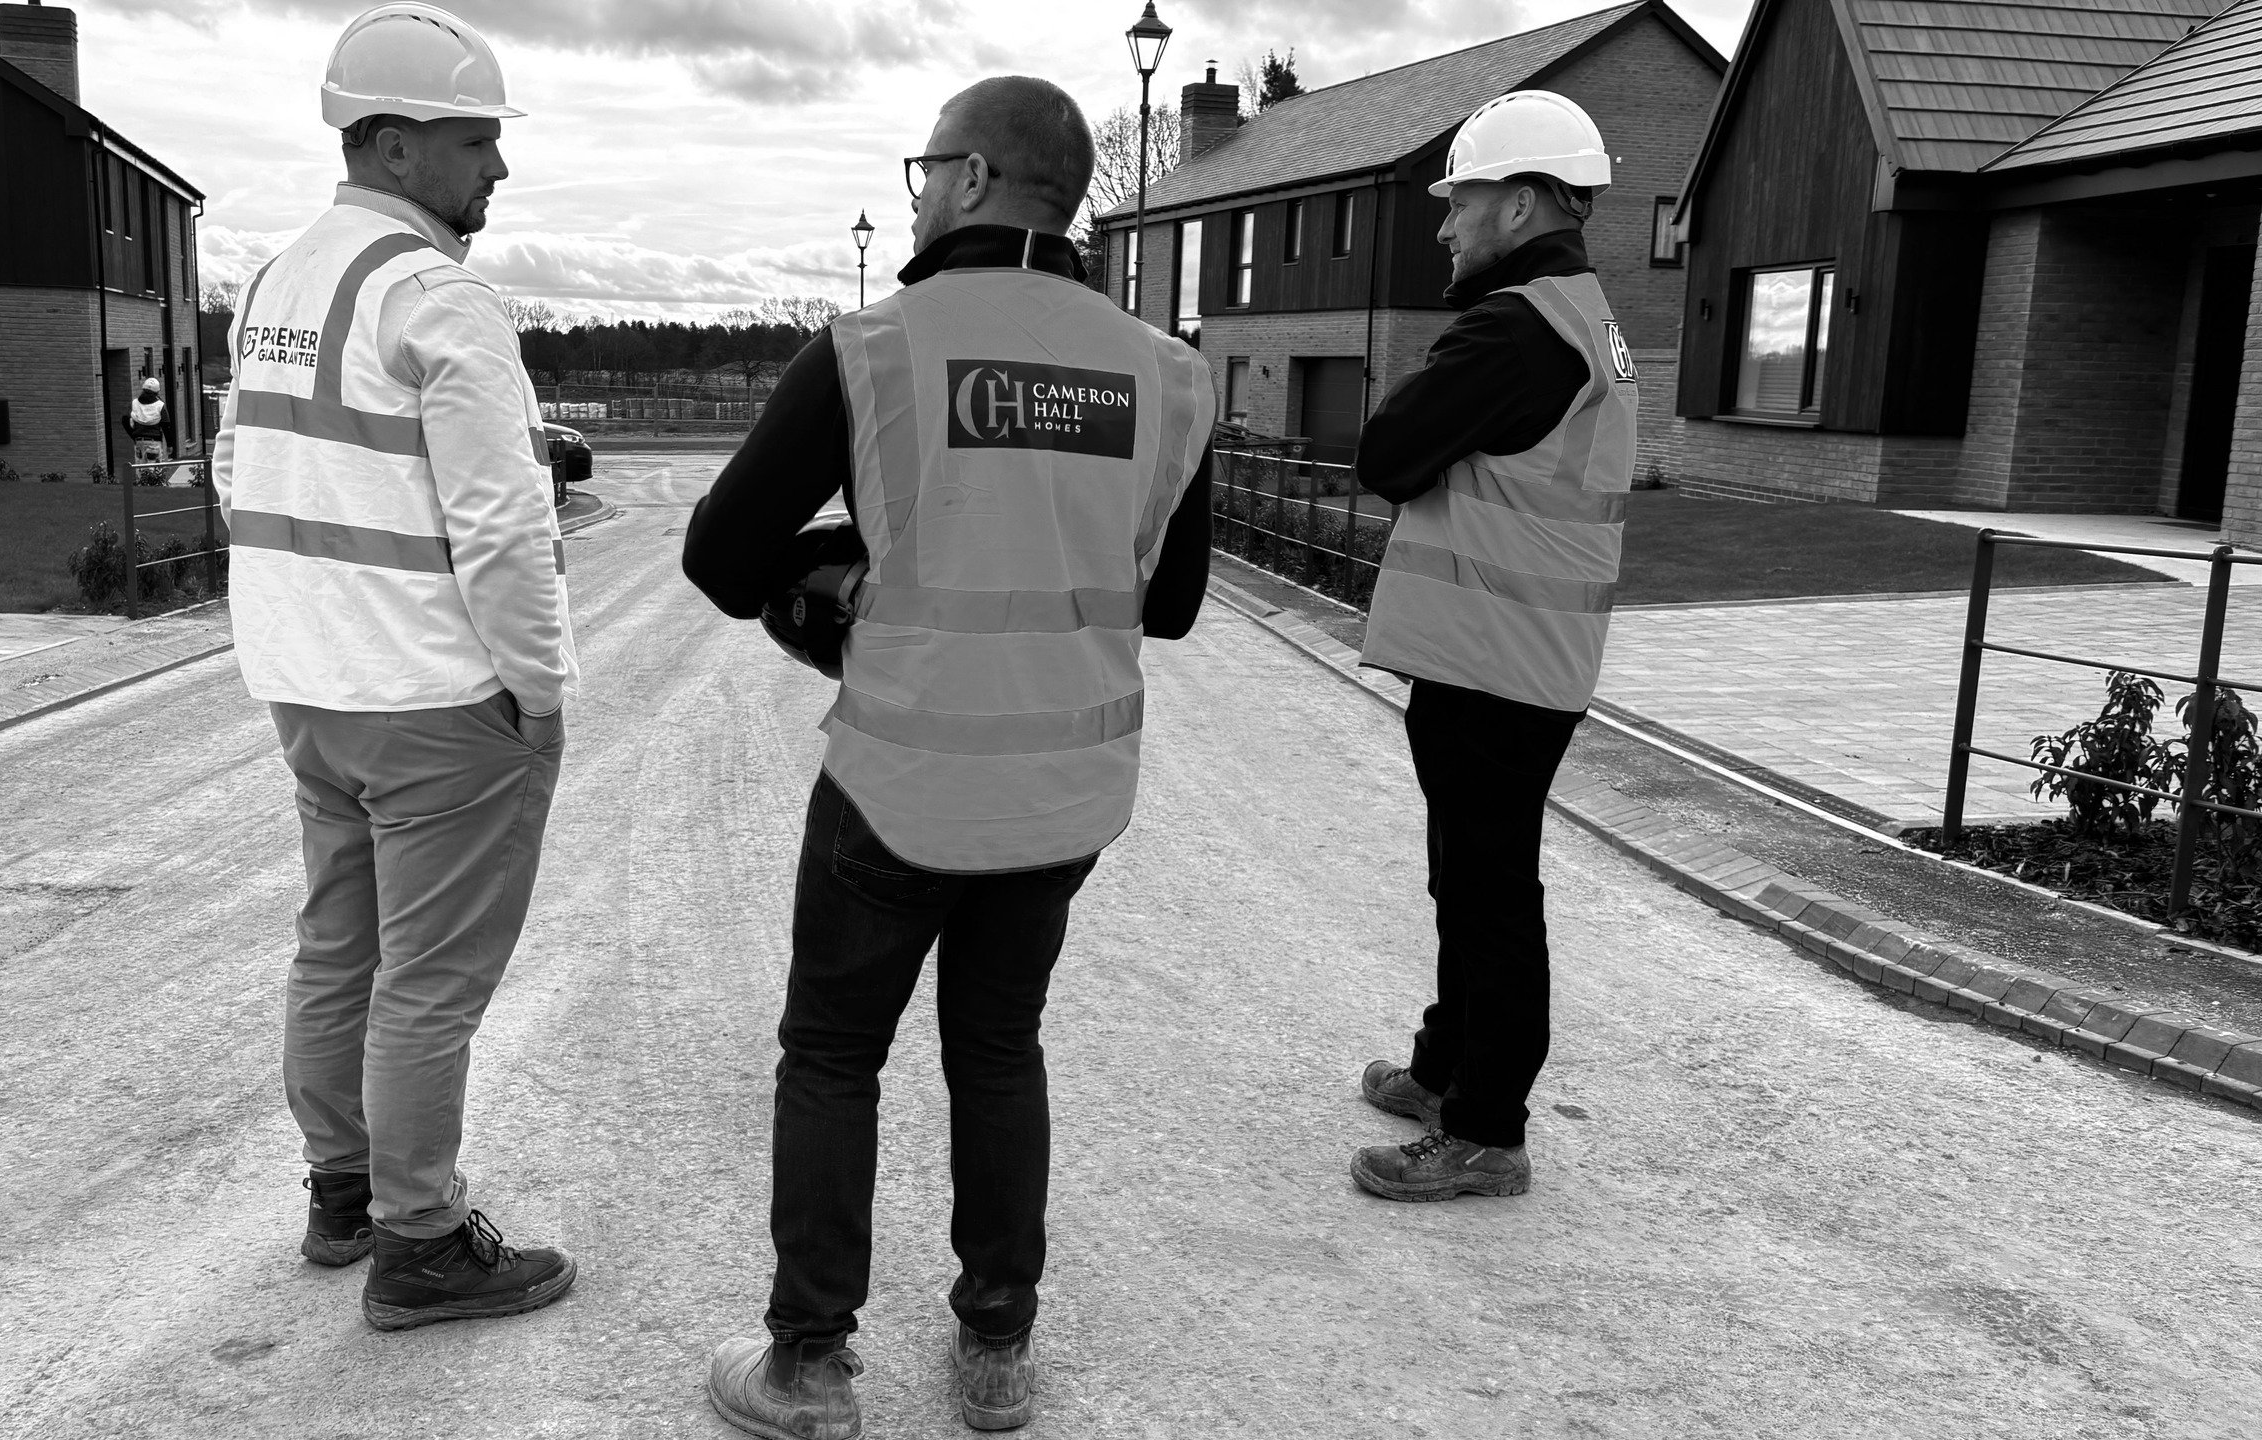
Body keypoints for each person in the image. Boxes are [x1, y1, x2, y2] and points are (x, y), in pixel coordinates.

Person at [681, 75, 1216, 1439]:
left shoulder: (877, 347)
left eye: (926, 170)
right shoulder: (1164, 372)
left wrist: (838, 577)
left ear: (972, 181)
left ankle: (807, 1366)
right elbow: (1170, 601)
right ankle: (996, 1354)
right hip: (1063, 792)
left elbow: (720, 555)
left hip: (899, 784)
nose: (915, 193)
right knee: (999, 1048)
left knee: (832, 1056)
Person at [214, 1, 581, 1330]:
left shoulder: (274, 285)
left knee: (337, 950)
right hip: (435, 702)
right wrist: (538, 690)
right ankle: (420, 1242)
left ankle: (343, 1191)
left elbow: (235, 473)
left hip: (311, 689)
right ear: (398, 144)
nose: (496, 168)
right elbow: (504, 524)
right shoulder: (437, 296)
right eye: (478, 142)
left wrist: (294, 629)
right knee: (425, 984)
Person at [1346, 90, 1636, 1203]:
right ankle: (1443, 1069)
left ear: (1517, 203)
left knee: (1487, 892)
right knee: (1468, 877)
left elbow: (1387, 451)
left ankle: (1485, 1129)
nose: (1443, 226)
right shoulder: (1582, 318)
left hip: (1494, 661)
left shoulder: (1514, 324)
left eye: (1457, 201)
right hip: (1527, 655)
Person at [123, 376, 170, 474]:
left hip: (139, 442)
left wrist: (133, 435)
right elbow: (166, 425)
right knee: (155, 473)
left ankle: (141, 488)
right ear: (157, 392)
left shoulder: (134, 403)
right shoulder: (160, 405)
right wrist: (170, 444)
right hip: (154, 443)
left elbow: (124, 419)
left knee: (141, 472)